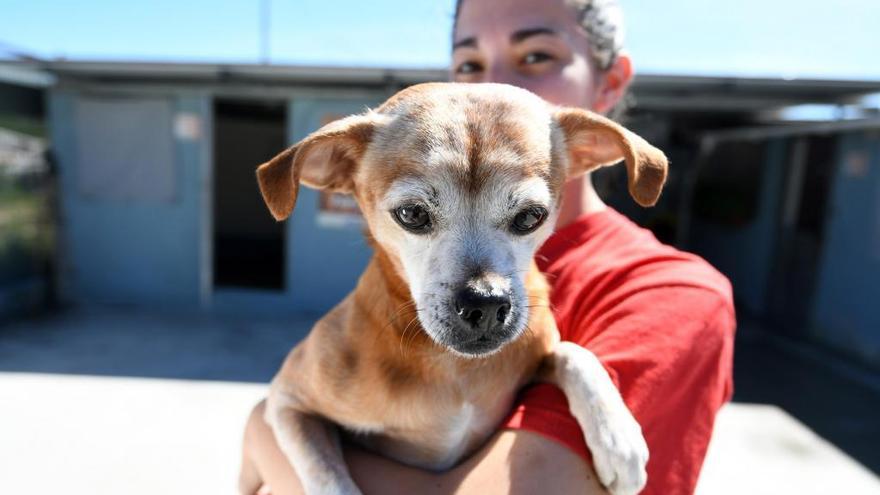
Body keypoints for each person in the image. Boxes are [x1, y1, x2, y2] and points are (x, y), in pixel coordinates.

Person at [239, 0, 736, 493]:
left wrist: (263, 435)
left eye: (525, 217)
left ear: (608, 89)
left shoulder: (670, 292)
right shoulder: (351, 343)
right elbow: (284, 406)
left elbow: (266, 424)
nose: (489, 86)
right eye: (468, 65)